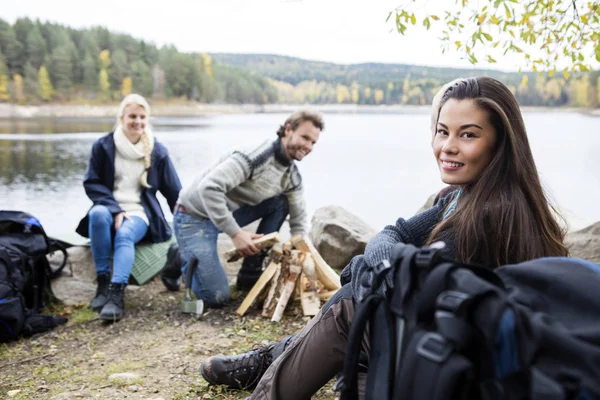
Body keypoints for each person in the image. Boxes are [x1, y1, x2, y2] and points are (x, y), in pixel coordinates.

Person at [199, 77, 569, 398]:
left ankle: (271, 367)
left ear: (500, 142)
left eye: (468, 134)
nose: (448, 147)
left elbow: (411, 298)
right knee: (359, 296)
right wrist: (378, 264)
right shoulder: (460, 195)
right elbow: (395, 232)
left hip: (470, 370)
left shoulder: (493, 214)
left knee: (350, 305)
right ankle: (276, 357)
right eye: (443, 132)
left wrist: (368, 268)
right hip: (441, 345)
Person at [160, 110, 324, 308]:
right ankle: (180, 254)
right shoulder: (254, 156)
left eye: (313, 142)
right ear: (288, 130)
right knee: (216, 297)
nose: (308, 146)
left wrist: (304, 259)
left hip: (225, 212)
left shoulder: (292, 177)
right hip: (193, 215)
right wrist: (236, 234)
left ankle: (250, 272)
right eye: (305, 137)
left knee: (281, 202)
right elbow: (209, 188)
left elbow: (299, 221)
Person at [76, 94, 182, 322]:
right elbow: (91, 182)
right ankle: (103, 282)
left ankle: (116, 293)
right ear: (122, 117)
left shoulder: (157, 151)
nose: (138, 121)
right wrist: (115, 210)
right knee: (97, 214)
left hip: (141, 213)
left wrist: (186, 217)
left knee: (124, 234)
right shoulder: (103, 146)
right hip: (109, 207)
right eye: (132, 116)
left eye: (142, 117)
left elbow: (173, 190)